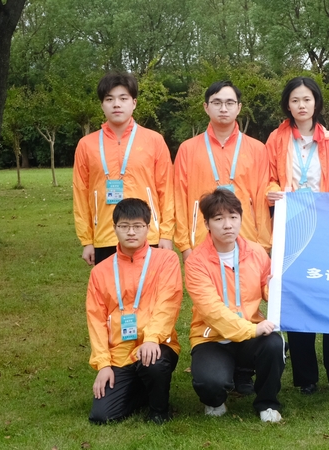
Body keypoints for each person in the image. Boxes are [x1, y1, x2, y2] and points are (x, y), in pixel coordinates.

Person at [264, 77, 329, 396]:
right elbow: (267, 178)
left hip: (325, 228)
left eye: (307, 99)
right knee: (299, 299)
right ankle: (305, 377)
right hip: (291, 228)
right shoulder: (276, 139)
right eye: (295, 100)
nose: (301, 105)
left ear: (316, 102)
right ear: (287, 105)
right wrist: (272, 191)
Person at [185, 189, 285, 423]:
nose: (227, 225)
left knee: (274, 344)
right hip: (213, 338)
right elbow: (212, 311)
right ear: (207, 224)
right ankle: (215, 399)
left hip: (251, 333)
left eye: (233, 217)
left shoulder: (256, 252)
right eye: (219, 219)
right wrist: (251, 330)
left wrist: (273, 288)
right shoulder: (196, 262)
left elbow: (266, 289)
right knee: (210, 383)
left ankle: (267, 403)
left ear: (241, 218)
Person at [86, 198, 182, 424]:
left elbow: (168, 304)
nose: (131, 232)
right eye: (124, 226)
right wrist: (103, 364)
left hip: (156, 344)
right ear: (114, 228)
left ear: (148, 228)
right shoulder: (100, 272)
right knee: (102, 416)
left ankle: (159, 411)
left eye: (137, 226)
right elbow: (96, 320)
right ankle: (141, 391)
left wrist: (152, 338)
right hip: (120, 353)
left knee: (153, 363)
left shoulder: (166, 260)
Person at [73, 72, 174, 266]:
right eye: (109, 99)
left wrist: (166, 234)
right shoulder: (86, 145)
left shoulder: (154, 140)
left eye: (123, 98)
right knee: (111, 286)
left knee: (147, 286)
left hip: (148, 234)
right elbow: (80, 194)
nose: (116, 104)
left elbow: (166, 190)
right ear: (102, 105)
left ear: (134, 103)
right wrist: (87, 240)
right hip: (104, 236)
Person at [173, 80, 271, 259]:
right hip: (201, 241)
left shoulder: (257, 149)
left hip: (247, 240)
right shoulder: (188, 149)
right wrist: (185, 246)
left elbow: (261, 201)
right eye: (217, 103)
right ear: (206, 107)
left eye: (229, 103)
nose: (223, 108)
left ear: (239, 107)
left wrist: (263, 246)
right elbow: (179, 199)